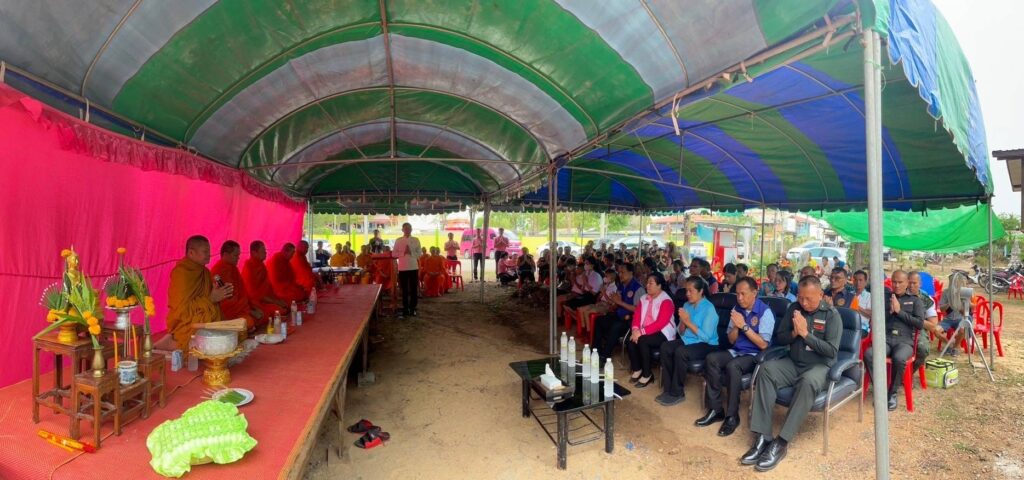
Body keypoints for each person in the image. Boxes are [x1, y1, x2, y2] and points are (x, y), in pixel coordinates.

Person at [743, 275, 841, 472]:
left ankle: (781, 443)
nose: (804, 302)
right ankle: (763, 436)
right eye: (801, 297)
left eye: (809, 299)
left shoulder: (832, 315)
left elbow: (831, 351)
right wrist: (794, 334)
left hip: (818, 366)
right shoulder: (794, 308)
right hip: (793, 362)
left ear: (820, 294)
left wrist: (805, 334)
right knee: (766, 370)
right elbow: (780, 338)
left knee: (808, 382)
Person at [698, 277, 775, 436]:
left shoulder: (765, 312)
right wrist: (736, 327)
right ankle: (716, 409)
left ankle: (732, 416)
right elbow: (731, 340)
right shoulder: (737, 309)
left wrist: (744, 326)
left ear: (755, 293)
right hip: (736, 350)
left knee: (733, 366)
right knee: (712, 359)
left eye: (743, 294)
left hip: (754, 355)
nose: (739, 298)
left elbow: (763, 344)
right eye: (737, 294)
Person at [864, 270, 924, 411]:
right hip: (885, 339)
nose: (896, 285)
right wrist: (889, 312)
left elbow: (920, 324)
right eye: (894, 282)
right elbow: (875, 320)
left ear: (907, 283)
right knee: (869, 354)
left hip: (904, 341)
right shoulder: (885, 298)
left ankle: (893, 393)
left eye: (900, 282)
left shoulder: (915, 301)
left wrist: (899, 311)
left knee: (899, 358)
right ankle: (881, 391)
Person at [656, 275, 718, 406]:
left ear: (700, 291)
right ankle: (668, 388)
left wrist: (688, 321)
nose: (687, 294)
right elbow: (681, 331)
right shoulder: (686, 305)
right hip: (689, 340)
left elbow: (706, 337)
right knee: (666, 347)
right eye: (686, 290)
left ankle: (677, 392)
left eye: (691, 291)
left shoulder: (709, 308)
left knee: (681, 352)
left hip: (707, 344)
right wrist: (683, 322)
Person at [164, 236, 231, 350]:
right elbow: (181, 310)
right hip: (188, 324)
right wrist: (211, 299)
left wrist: (220, 292)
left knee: (232, 335)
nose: (209, 255)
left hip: (206, 319)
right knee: (215, 346)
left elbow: (210, 298)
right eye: (205, 252)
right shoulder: (182, 273)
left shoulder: (205, 272)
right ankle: (171, 342)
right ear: (191, 253)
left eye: (209, 251)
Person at [626, 272, 676, 388]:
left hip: (663, 331)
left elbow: (660, 323)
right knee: (631, 340)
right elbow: (637, 316)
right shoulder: (643, 298)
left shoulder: (666, 300)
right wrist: (635, 330)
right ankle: (637, 369)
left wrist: (641, 332)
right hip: (645, 330)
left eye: (650, 283)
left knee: (643, 340)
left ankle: (647, 374)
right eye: (647, 283)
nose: (647, 286)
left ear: (659, 286)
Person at [592, 263, 645, 363]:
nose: (620, 275)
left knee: (615, 326)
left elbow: (637, 310)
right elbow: (616, 303)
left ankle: (604, 356)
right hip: (618, 315)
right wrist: (614, 303)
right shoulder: (621, 285)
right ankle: (595, 351)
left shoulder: (638, 288)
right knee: (599, 320)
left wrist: (619, 302)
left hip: (630, 320)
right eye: (619, 272)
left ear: (631, 273)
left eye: (622, 272)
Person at [210, 240, 261, 331]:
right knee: (249, 321)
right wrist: (250, 311)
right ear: (225, 255)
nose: (238, 258)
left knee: (261, 314)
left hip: (241, 308)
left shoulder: (234, 269)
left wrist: (252, 307)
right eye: (235, 255)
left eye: (238, 255)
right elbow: (225, 301)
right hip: (228, 312)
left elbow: (243, 292)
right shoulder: (218, 272)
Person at [242, 240, 290, 320]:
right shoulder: (249, 268)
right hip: (256, 302)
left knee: (287, 303)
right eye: (263, 251)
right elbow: (254, 295)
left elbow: (268, 288)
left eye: (265, 250)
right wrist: (276, 302)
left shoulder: (261, 265)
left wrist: (277, 300)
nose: (265, 253)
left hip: (268, 298)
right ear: (254, 253)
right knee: (280, 310)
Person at [908, 271, 939, 372]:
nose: (911, 286)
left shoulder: (926, 299)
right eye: (909, 282)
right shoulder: (899, 294)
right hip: (900, 327)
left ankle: (909, 372)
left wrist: (914, 319)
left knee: (923, 349)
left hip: (918, 329)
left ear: (920, 284)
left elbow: (933, 326)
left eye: (914, 283)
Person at [576, 269, 619, 337]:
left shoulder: (615, 288)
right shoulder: (606, 285)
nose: (604, 278)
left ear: (612, 277)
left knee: (587, 312)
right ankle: (583, 329)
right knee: (581, 309)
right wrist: (600, 295)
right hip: (599, 304)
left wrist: (604, 293)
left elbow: (612, 303)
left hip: (606, 306)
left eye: (606, 276)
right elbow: (599, 297)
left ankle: (588, 333)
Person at [393, 222, 422, 317]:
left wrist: (411, 252)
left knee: (413, 289)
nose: (407, 230)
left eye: (409, 228)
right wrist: (403, 253)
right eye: (405, 228)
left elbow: (420, 253)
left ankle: (413, 308)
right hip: (402, 268)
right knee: (404, 289)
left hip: (413, 267)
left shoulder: (416, 240)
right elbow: (394, 254)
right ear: (402, 230)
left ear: (411, 229)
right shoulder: (398, 240)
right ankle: (405, 308)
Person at [937, 272, 970, 356]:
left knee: (963, 329)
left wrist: (958, 302)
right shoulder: (945, 292)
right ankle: (949, 345)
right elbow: (941, 309)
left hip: (960, 318)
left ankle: (955, 348)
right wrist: (950, 302)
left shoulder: (964, 292)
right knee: (936, 330)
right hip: (947, 319)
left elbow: (967, 312)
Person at [850, 270, 872, 334]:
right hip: (847, 325)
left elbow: (871, 314)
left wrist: (856, 307)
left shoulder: (869, 296)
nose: (858, 282)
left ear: (865, 282)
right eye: (855, 280)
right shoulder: (849, 294)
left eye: (860, 280)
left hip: (862, 327)